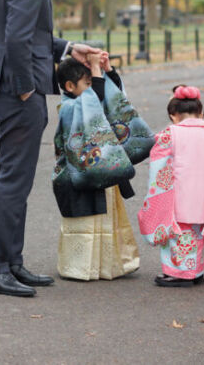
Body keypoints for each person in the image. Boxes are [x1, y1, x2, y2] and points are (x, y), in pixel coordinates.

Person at [0, 0, 100, 298]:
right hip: (16, 90)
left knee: (18, 178)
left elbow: (26, 33)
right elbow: (16, 38)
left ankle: (11, 261)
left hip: (2, 83)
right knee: (14, 181)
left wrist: (68, 49)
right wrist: (27, 87)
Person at [51, 53, 154, 281]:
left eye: (92, 83)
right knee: (85, 225)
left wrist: (107, 71)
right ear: (69, 86)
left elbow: (113, 101)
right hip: (78, 175)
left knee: (106, 222)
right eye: (87, 83)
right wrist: (96, 70)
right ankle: (79, 268)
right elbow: (94, 102)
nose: (92, 88)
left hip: (99, 170)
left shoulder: (86, 102)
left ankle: (109, 266)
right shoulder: (69, 107)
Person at [137, 85, 204, 287]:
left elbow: (159, 167)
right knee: (196, 234)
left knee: (178, 235)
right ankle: (196, 271)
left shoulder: (170, 133)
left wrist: (157, 194)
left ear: (173, 115)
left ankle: (180, 273)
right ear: (200, 112)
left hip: (179, 195)